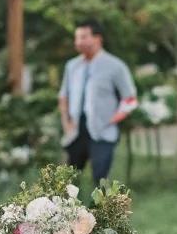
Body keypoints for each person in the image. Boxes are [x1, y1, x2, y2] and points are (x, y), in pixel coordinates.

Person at [59, 18, 137, 186]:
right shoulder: (72, 66)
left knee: (100, 181)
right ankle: (69, 213)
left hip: (103, 131)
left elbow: (130, 99)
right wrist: (66, 123)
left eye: (84, 37)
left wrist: (112, 120)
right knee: (67, 182)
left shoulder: (115, 66)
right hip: (76, 131)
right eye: (77, 38)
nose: (79, 42)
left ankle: (100, 212)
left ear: (98, 38)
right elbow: (63, 96)